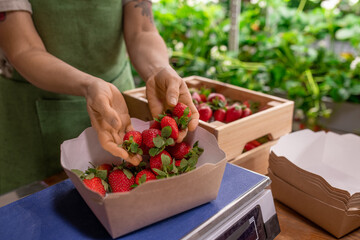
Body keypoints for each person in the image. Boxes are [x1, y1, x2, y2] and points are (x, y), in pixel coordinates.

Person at [0, 0, 199, 195]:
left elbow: (142, 30)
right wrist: (89, 86)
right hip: (34, 109)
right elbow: (24, 48)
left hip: (117, 103)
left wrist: (158, 69)